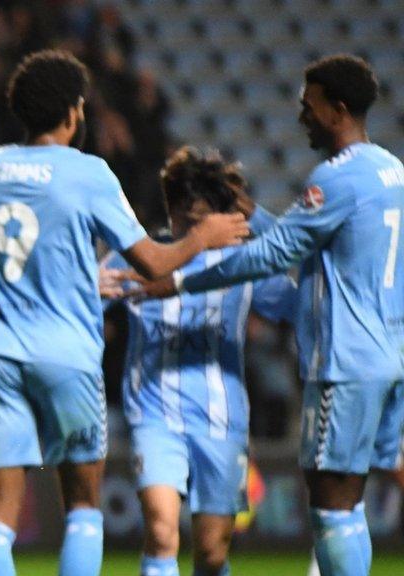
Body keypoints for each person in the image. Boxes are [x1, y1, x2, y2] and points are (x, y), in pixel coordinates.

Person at [0, 49, 249, 576]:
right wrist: (204, 235)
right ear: (74, 111)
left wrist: (82, 278)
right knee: (83, 508)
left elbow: (29, 249)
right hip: (67, 352)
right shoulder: (90, 173)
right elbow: (154, 260)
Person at [143, 54, 404, 576]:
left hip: (344, 361)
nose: (301, 115)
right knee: (351, 498)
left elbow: (273, 255)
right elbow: (316, 242)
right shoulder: (390, 169)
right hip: (388, 354)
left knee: (332, 505)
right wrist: (254, 213)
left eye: (309, 106)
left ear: (337, 108)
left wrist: (180, 276)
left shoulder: (332, 178)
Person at [100, 146, 296, 576]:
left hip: (221, 420)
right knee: (162, 531)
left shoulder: (243, 263)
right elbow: (85, 304)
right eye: (190, 217)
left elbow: (299, 306)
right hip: (154, 416)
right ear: (174, 209)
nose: (200, 228)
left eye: (207, 217)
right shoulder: (137, 257)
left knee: (211, 554)